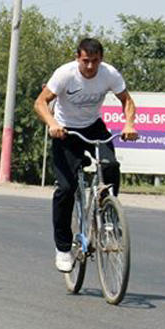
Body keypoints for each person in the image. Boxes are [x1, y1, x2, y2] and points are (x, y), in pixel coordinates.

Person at [34, 37, 138, 273]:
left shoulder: (109, 74)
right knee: (66, 189)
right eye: (86, 61)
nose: (90, 67)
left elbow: (127, 101)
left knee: (110, 165)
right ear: (77, 58)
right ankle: (62, 248)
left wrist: (129, 124)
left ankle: (108, 215)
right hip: (65, 130)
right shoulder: (65, 74)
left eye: (95, 61)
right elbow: (40, 102)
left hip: (93, 126)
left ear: (101, 59)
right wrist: (52, 123)